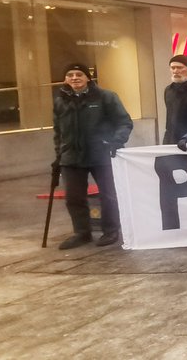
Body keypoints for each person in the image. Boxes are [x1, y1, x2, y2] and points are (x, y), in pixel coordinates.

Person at [52, 63, 134, 249]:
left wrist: (115, 142)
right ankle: (82, 233)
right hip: (71, 157)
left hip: (101, 154)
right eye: (70, 74)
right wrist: (59, 154)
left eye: (79, 74)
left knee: (108, 195)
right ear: (66, 79)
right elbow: (58, 131)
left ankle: (111, 230)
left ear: (88, 78)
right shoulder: (60, 101)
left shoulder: (106, 97)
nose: (74, 78)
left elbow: (124, 122)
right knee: (73, 197)